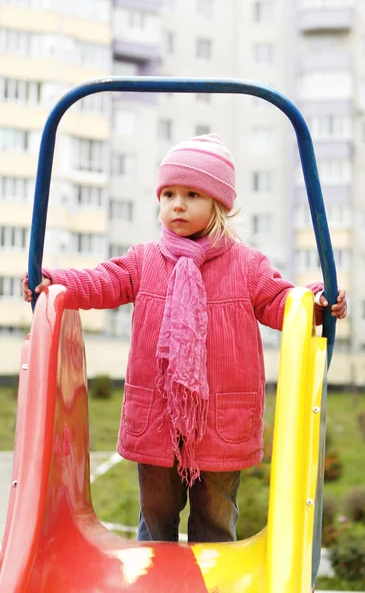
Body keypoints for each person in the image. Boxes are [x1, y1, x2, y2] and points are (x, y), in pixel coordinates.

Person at [22, 133, 347, 544]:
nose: (177, 204)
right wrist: (56, 281)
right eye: (169, 193)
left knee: (214, 520)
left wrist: (317, 302)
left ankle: (208, 583)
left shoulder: (245, 265)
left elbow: (281, 302)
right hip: (157, 418)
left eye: (192, 194)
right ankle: (157, 582)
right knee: (155, 519)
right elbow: (104, 281)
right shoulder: (144, 259)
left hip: (220, 422)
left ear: (219, 204)